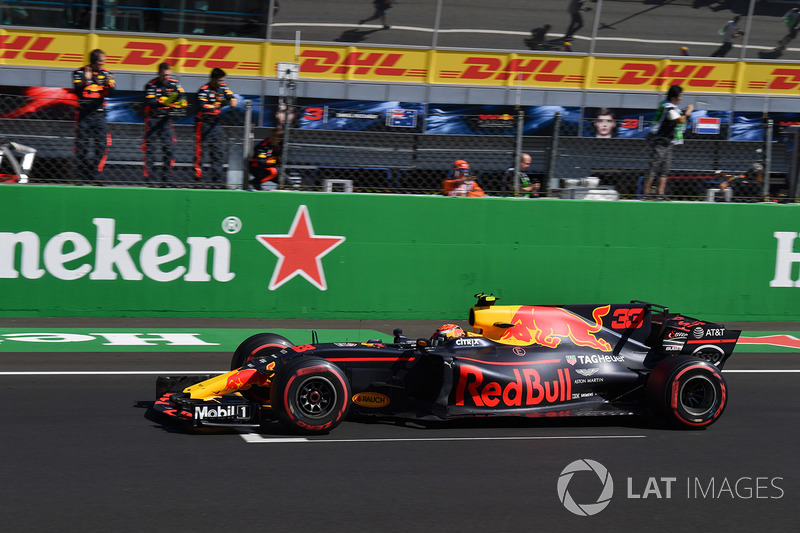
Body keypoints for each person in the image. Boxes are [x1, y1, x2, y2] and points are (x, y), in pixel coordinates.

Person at [643, 85, 693, 200]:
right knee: (654, 167)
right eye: (680, 96)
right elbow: (679, 120)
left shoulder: (674, 108)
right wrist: (689, 112)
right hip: (660, 141)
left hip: (669, 142)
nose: (681, 98)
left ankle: (660, 194)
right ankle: (646, 193)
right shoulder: (668, 107)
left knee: (665, 169)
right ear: (674, 97)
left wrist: (684, 112)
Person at [72, 48, 114, 184]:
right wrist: (87, 81)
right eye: (101, 62)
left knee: (102, 145)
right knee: (82, 146)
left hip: (99, 115)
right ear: (94, 62)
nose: (103, 64)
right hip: (84, 114)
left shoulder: (107, 74)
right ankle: (79, 177)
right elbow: (77, 91)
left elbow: (112, 92)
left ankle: (96, 176)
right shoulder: (79, 72)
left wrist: (108, 85)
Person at [143, 62, 187, 186]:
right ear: (159, 74)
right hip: (152, 119)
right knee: (150, 149)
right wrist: (166, 102)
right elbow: (151, 101)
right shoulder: (151, 85)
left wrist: (181, 102)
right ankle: (149, 179)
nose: (166, 77)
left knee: (170, 149)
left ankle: (166, 178)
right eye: (163, 75)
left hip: (166, 120)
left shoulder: (174, 83)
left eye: (168, 75)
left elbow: (183, 96)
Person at [194, 67, 237, 187]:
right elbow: (203, 106)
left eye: (223, 80)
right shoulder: (203, 90)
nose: (221, 83)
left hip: (216, 124)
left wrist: (232, 100)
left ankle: (216, 180)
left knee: (218, 152)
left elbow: (231, 98)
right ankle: (198, 179)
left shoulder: (223, 87)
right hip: (202, 124)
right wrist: (219, 105)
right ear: (213, 79)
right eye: (219, 80)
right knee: (200, 152)